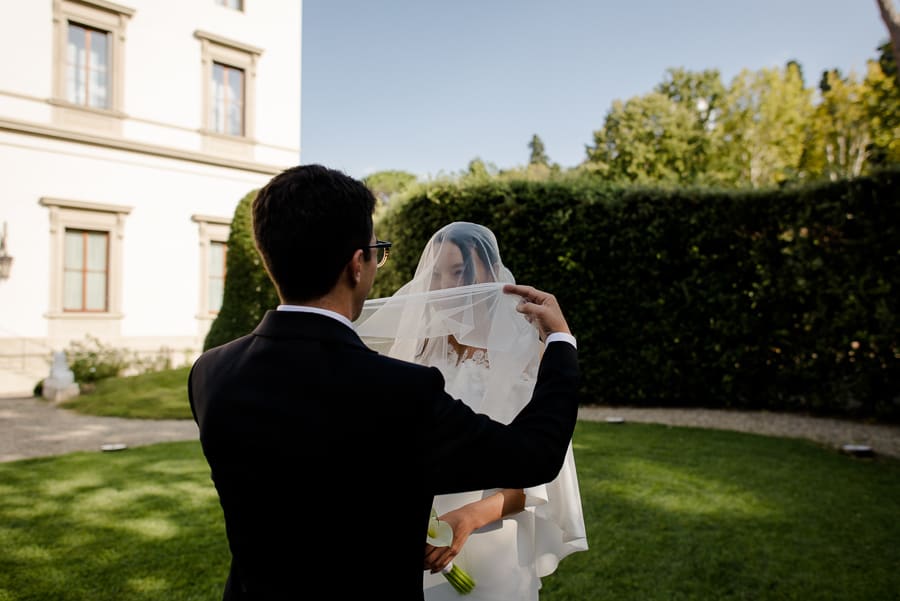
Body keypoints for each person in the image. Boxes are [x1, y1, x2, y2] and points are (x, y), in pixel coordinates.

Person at [187, 164, 581, 601]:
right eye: (378, 251)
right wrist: (561, 342)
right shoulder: (401, 390)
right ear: (359, 264)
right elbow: (536, 456)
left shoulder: (209, 374)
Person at [355, 222, 588, 600]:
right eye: (436, 274)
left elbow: (543, 467)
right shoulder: (414, 356)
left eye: (459, 271)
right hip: (421, 543)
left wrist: (469, 518)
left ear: (491, 274)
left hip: (494, 540)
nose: (446, 286)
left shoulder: (525, 353)